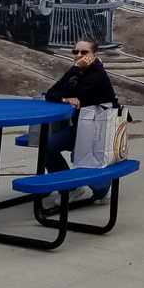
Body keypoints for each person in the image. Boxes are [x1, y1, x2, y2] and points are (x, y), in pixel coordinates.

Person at [43, 36, 118, 203]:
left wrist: (75, 70)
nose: (78, 55)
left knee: (81, 155)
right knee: (47, 147)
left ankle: (103, 187)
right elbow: (51, 92)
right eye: (75, 52)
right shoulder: (75, 70)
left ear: (95, 55)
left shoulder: (98, 74)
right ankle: (71, 187)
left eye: (84, 52)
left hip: (99, 130)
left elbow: (73, 89)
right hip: (80, 127)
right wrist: (65, 99)